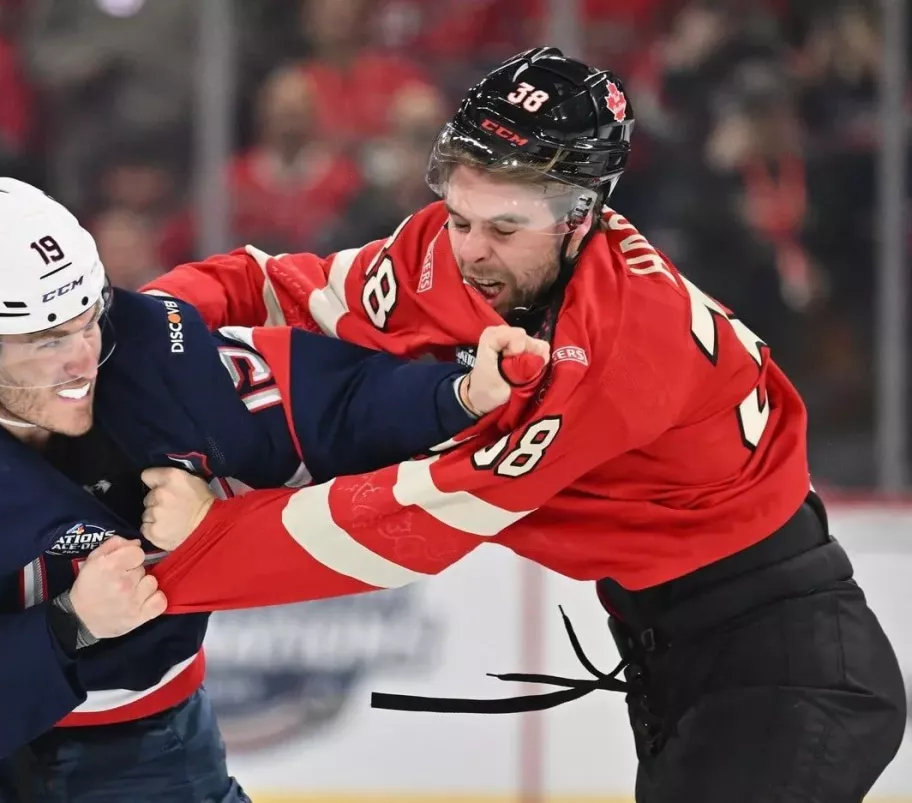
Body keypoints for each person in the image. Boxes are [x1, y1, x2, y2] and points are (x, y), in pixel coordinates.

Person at [138, 48, 906, 803]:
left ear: (582, 217)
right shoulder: (449, 248)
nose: (469, 250)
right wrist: (129, 329)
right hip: (676, 647)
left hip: (785, 659)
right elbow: (281, 286)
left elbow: (413, 518)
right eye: (460, 216)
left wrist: (198, 546)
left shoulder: (619, 347)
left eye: (504, 229)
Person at [0, 177, 533, 803]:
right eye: (48, 340)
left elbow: (325, 405)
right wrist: (71, 625)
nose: (82, 358)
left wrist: (461, 390)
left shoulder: (149, 349)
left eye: (86, 322)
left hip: (140, 747)